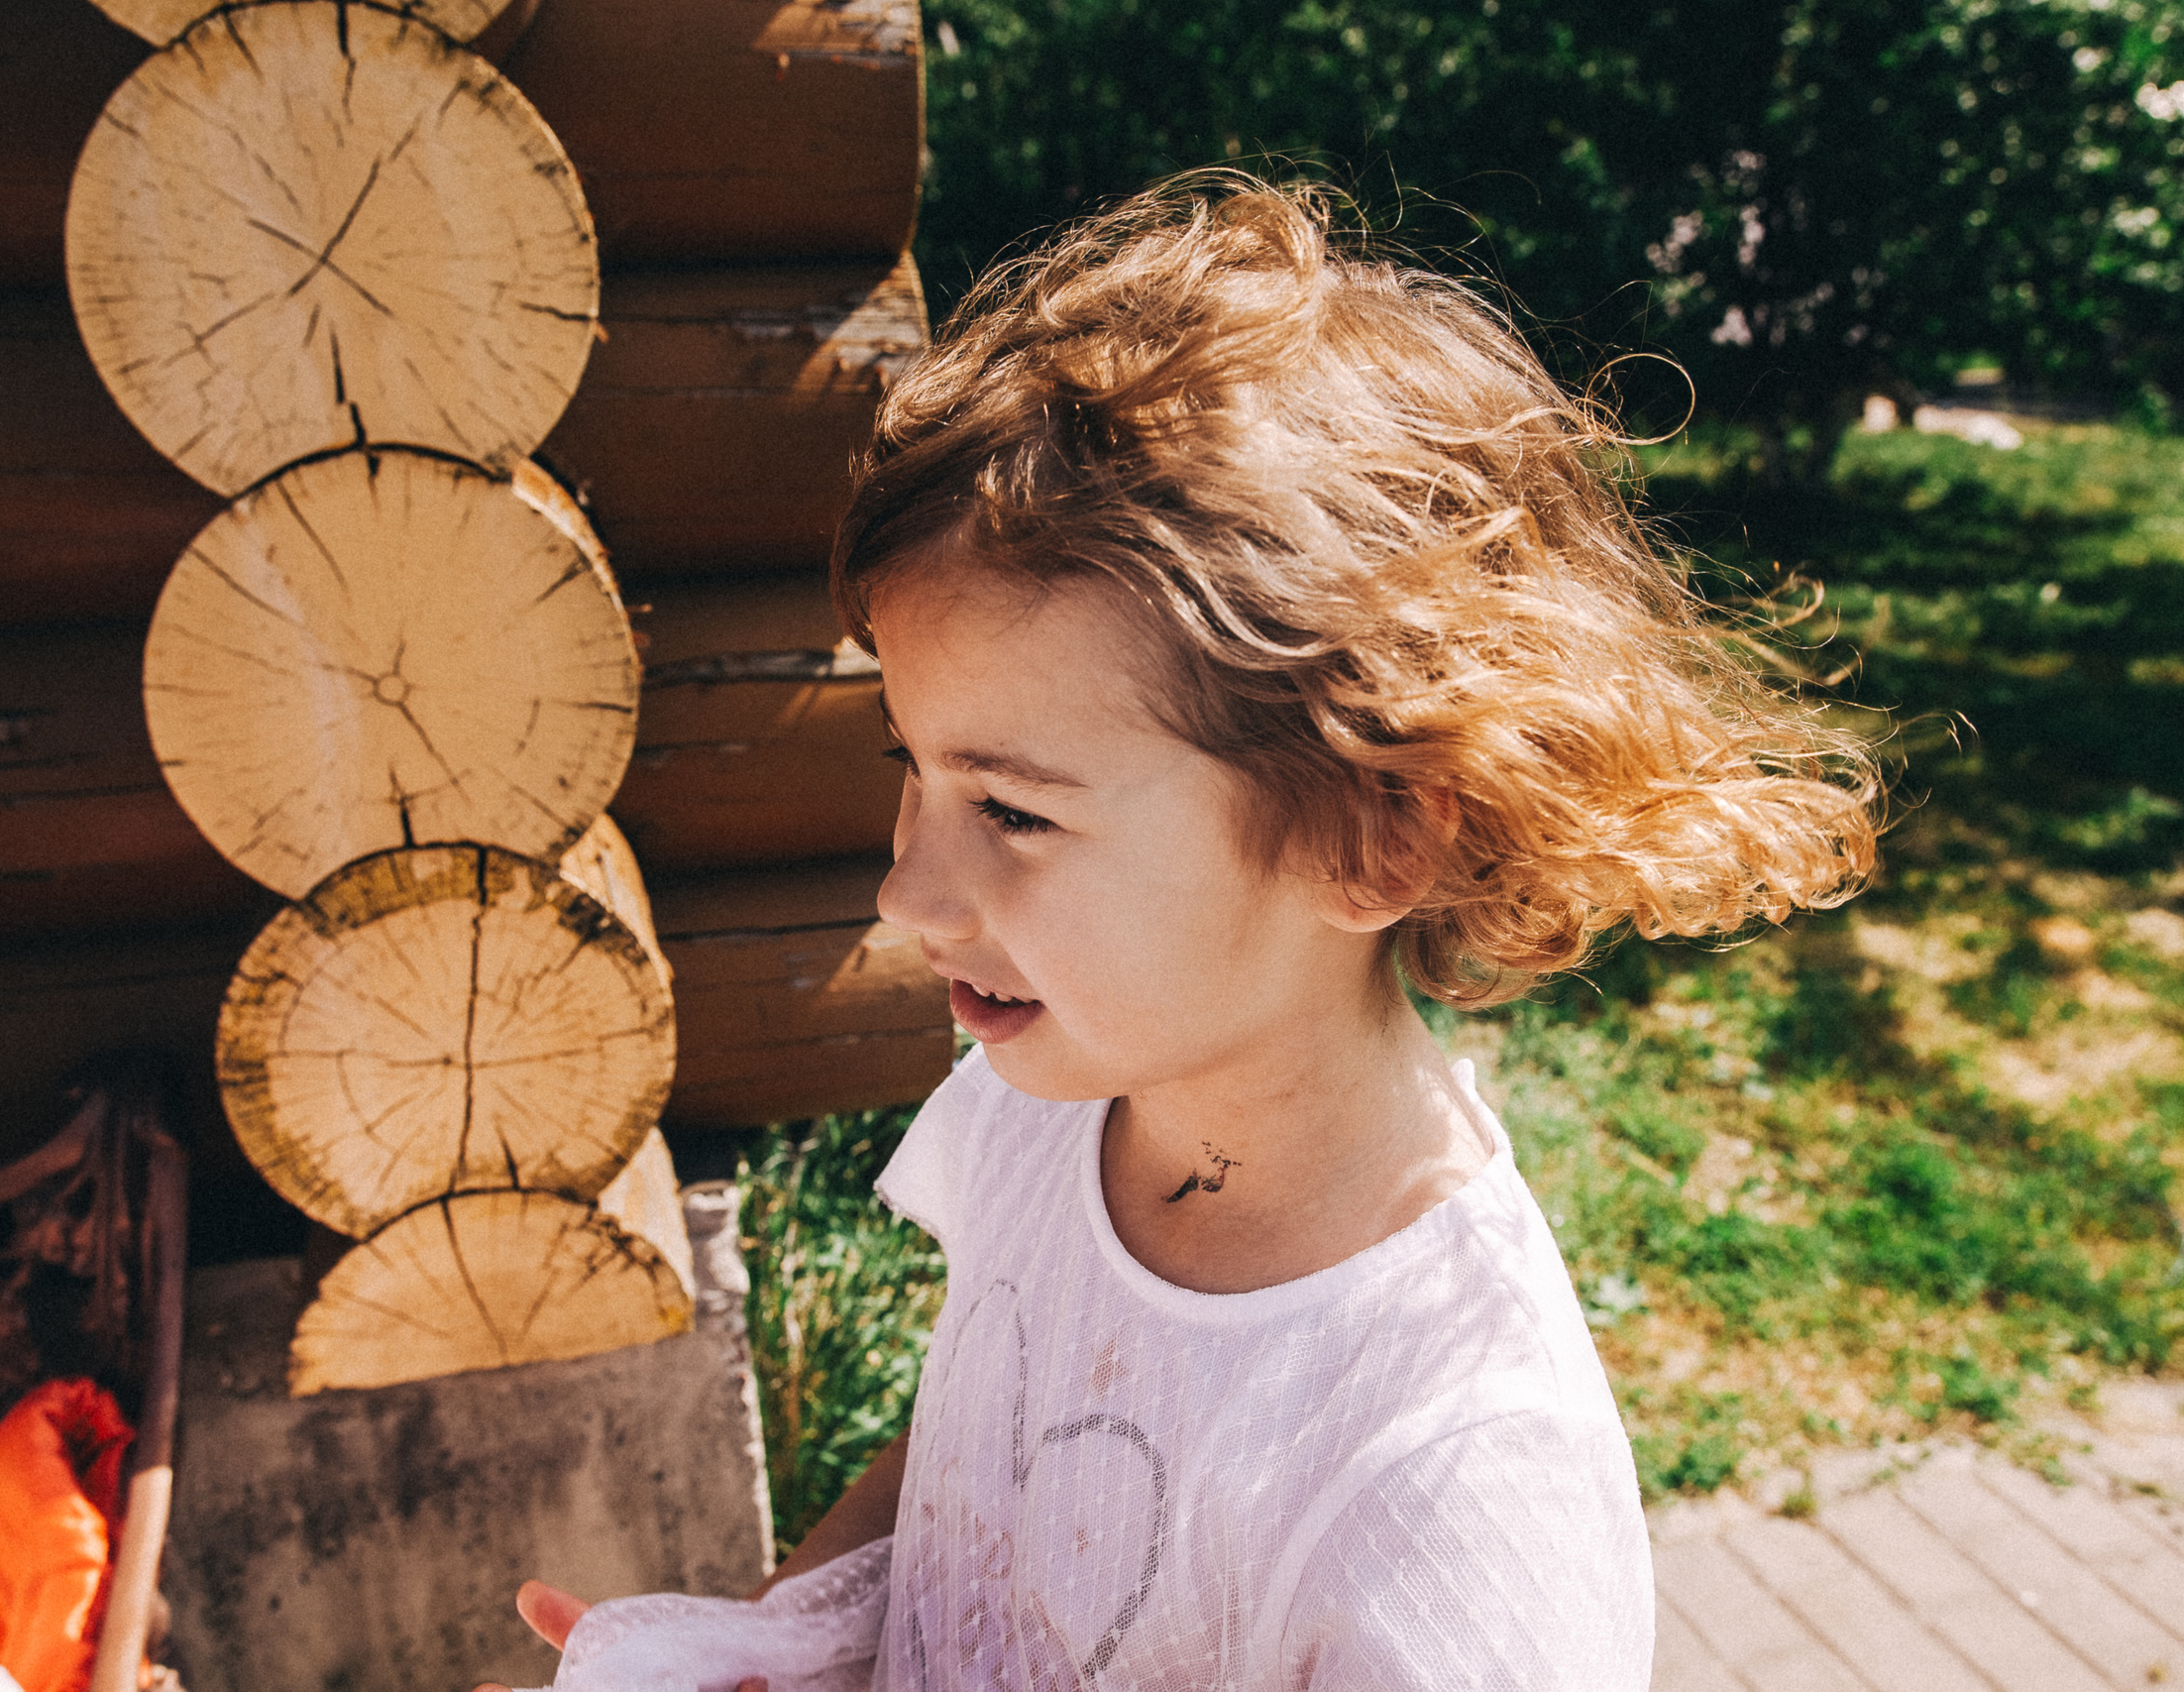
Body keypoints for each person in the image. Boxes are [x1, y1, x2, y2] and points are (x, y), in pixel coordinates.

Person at [491, 171, 1876, 1691]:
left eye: (1013, 812)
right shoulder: (1050, 1110)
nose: (904, 895)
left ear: (1373, 836)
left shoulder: (1453, 1484)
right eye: (913, 770)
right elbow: (972, 1461)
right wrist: (777, 1634)